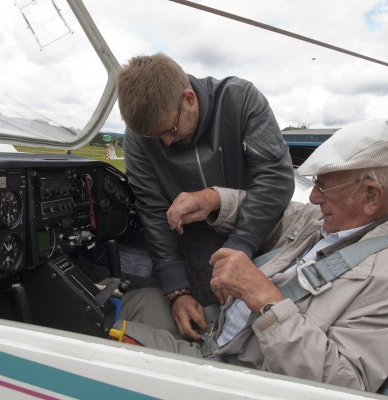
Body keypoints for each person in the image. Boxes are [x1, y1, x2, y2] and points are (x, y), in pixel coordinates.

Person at [113, 120, 388, 392]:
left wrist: (263, 298)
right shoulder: (332, 222)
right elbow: (268, 212)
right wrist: (212, 199)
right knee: (142, 299)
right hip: (216, 334)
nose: (313, 196)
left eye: (324, 187)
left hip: (231, 376)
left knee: (94, 337)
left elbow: (344, 384)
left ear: (370, 197)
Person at [116, 53, 295, 339]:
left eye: (170, 130)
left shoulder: (241, 99)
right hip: (188, 243)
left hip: (257, 232)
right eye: (155, 138)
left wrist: (238, 247)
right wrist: (176, 291)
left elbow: (276, 178)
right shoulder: (140, 137)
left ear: (188, 98)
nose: (166, 143)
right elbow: (151, 210)